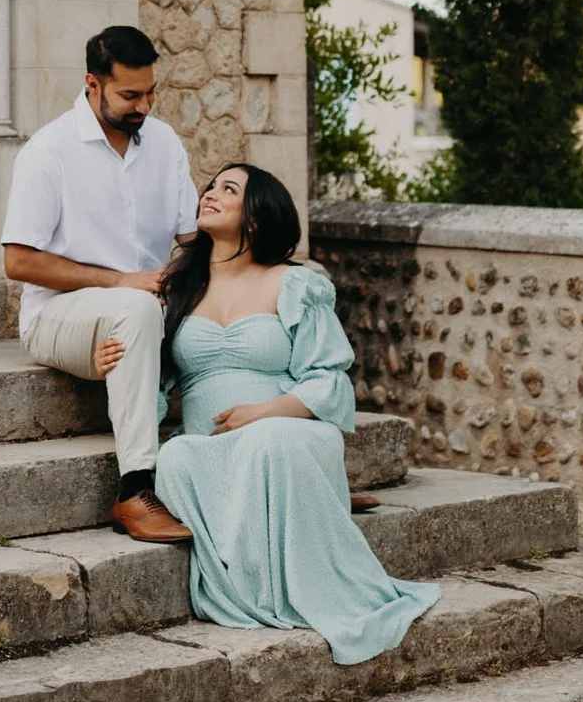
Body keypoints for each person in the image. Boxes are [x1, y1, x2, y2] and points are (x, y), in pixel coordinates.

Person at [95, 162, 440, 665]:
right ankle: (279, 541)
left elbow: (329, 380)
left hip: (290, 427)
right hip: (209, 447)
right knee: (177, 459)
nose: (210, 194)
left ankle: (315, 557)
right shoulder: (178, 290)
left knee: (271, 441)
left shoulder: (295, 285)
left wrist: (265, 411)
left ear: (255, 217)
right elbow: (151, 386)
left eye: (228, 190)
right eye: (211, 186)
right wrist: (112, 362)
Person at [1, 25, 198, 543]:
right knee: (133, 311)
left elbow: (193, 237)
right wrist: (122, 283)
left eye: (152, 92)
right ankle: (135, 489)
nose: (145, 106)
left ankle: (278, 461)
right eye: (130, 95)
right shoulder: (48, 151)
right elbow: (18, 261)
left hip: (145, 309)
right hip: (58, 318)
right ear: (93, 84)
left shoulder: (164, 142)